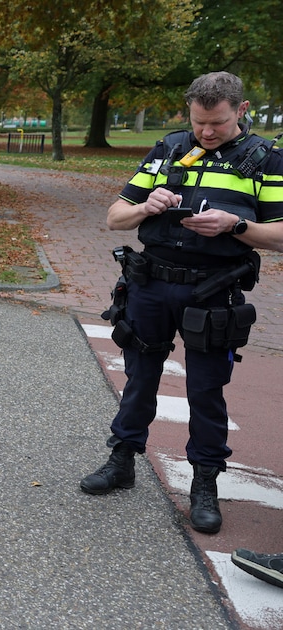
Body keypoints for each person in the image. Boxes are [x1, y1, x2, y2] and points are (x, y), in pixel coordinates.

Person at [79, 71, 283, 535]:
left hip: (213, 291)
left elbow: (280, 233)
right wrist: (146, 207)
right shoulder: (170, 148)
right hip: (151, 285)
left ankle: (205, 484)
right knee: (139, 377)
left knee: (206, 391)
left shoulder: (266, 160)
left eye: (218, 123)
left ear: (242, 110)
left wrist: (235, 226)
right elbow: (115, 216)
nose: (207, 133)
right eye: (199, 123)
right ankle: (122, 460)